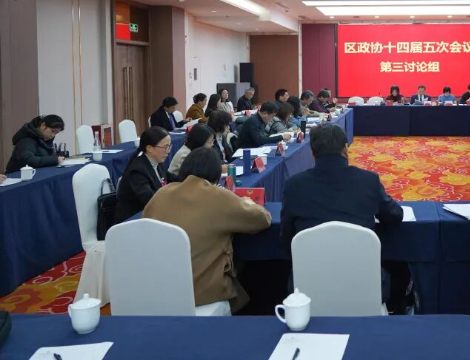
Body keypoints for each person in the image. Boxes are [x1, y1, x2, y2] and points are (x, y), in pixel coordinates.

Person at [281, 124, 402, 303]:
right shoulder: (368, 181)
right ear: (346, 149)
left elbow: (287, 237)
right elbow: (395, 215)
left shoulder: (293, 185)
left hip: (307, 289)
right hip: (365, 287)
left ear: (312, 153)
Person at [144, 148, 272, 313]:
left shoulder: (161, 194)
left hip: (159, 289)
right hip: (203, 292)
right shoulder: (219, 196)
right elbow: (262, 219)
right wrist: (248, 202)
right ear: (216, 173)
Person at [114, 127, 178, 223]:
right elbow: (151, 199)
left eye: (169, 147)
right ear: (149, 148)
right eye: (165, 147)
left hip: (150, 216)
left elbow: (173, 179)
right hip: (133, 221)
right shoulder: (137, 171)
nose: (168, 151)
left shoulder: (156, 163)